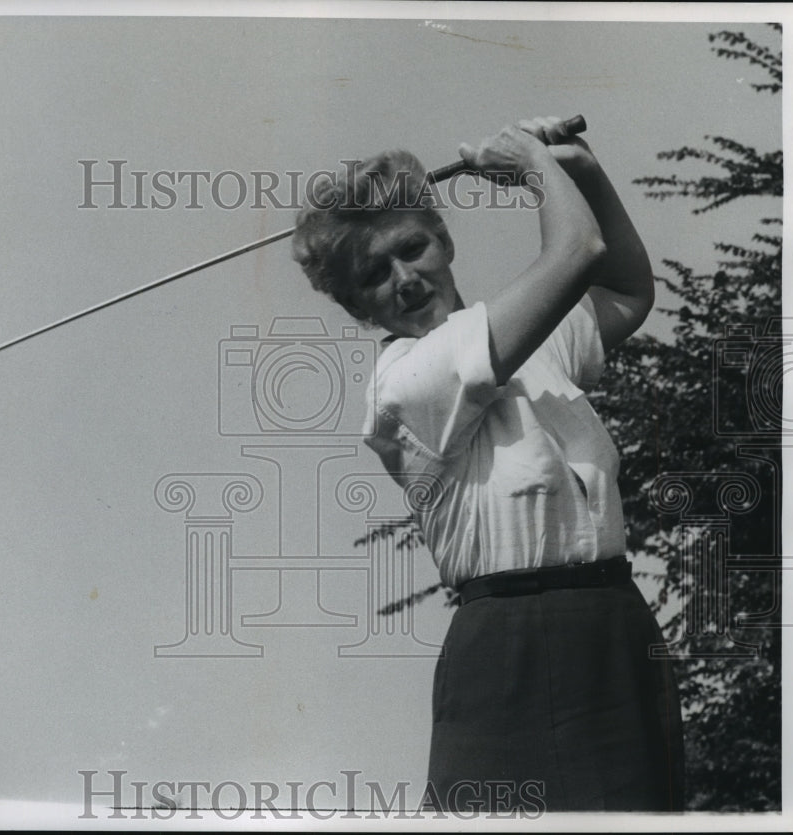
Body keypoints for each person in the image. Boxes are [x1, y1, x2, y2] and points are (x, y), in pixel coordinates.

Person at [291, 117, 685, 812]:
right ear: (357, 307)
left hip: (616, 622)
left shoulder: (524, 340)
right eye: (375, 275)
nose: (405, 279)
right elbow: (577, 246)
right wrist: (535, 165)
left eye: (412, 248)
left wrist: (581, 167)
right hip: (511, 642)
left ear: (444, 240)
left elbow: (625, 289)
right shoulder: (406, 383)